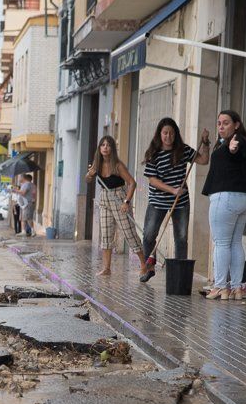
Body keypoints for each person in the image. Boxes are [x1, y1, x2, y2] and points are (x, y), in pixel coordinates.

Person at [140, 117, 210, 282]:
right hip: (158, 201)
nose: (168, 136)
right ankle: (149, 266)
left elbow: (203, 160)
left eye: (171, 133)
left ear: (175, 134)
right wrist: (172, 190)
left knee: (181, 237)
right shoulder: (153, 153)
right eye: (165, 133)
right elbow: (152, 180)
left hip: (180, 202)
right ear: (159, 134)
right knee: (149, 235)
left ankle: (180, 276)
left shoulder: (183, 150)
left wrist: (205, 143)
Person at [201, 110, 246, 300]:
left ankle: (220, 287)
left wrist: (231, 148)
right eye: (219, 123)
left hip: (225, 198)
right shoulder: (243, 145)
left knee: (222, 243)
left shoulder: (236, 143)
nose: (221, 127)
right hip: (244, 199)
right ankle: (237, 288)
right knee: (235, 242)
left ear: (236, 125)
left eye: (226, 123)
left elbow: (233, 150)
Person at [86, 136, 147, 277]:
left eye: (108, 145)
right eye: (103, 145)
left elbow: (132, 183)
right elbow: (87, 179)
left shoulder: (118, 165)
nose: (105, 147)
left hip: (119, 197)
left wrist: (127, 201)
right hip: (105, 198)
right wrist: (89, 174)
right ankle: (106, 268)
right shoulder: (96, 165)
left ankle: (144, 265)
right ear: (99, 148)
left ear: (112, 148)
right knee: (106, 233)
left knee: (129, 232)